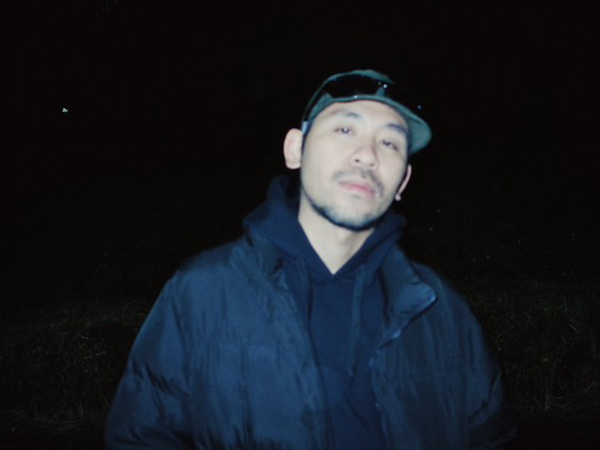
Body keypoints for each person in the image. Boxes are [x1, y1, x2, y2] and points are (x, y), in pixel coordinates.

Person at [105, 69, 517, 449]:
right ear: (295, 149)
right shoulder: (201, 292)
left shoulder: (440, 309)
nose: (367, 155)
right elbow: (141, 437)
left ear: (403, 180)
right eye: (345, 129)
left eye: (390, 142)